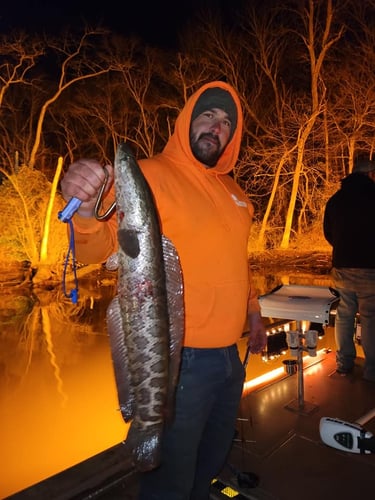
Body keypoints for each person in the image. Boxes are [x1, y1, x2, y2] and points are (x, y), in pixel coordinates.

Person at [60, 81, 267, 499]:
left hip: (231, 359)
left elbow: (236, 258)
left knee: (209, 463)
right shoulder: (150, 174)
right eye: (207, 115)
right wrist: (82, 209)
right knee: (168, 481)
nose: (216, 127)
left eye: (227, 122)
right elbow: (103, 245)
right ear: (187, 119)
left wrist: (254, 312)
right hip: (180, 362)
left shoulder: (236, 191)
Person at [323, 157, 375, 382]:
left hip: (342, 267)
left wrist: (343, 250)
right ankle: (372, 372)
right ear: (371, 174)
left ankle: (344, 365)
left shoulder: (336, 200)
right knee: (370, 317)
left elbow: (328, 233)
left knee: (344, 314)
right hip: (370, 268)